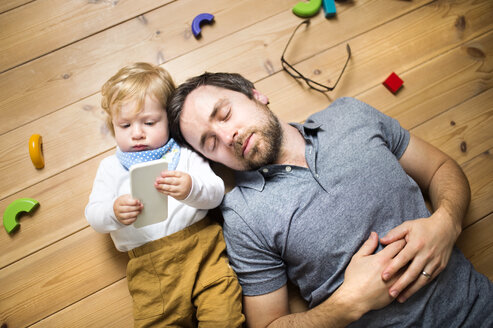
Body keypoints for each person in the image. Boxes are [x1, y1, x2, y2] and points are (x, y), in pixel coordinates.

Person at [166, 72, 493, 327]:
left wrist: (446, 223)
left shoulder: (350, 115)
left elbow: (440, 168)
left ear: (256, 95)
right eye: (210, 143)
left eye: (224, 114)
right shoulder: (243, 217)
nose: (227, 136)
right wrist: (349, 303)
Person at [85, 64, 244, 327]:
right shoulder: (110, 168)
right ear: (113, 127)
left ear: (168, 120)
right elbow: (93, 216)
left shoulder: (185, 154)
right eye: (125, 125)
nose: (137, 133)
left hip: (203, 250)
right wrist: (113, 212)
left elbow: (216, 193)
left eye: (149, 122)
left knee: (225, 315)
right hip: (151, 269)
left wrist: (191, 188)